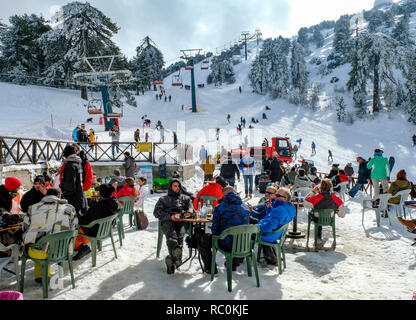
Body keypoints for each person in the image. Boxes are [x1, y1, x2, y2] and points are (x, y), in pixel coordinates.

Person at [22, 187, 78, 282]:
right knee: (46, 240)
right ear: (59, 196)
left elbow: (26, 227)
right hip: (62, 250)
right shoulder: (70, 209)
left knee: (37, 242)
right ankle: (43, 276)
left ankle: (40, 276)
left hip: (38, 253)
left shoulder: (32, 208)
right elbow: (74, 228)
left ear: (46, 196)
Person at [153, 179, 193, 274]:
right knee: (172, 238)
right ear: (170, 187)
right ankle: (177, 261)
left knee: (180, 236)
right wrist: (171, 217)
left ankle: (172, 262)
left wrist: (183, 215)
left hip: (182, 221)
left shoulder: (186, 198)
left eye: (179, 186)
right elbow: (156, 212)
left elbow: (191, 210)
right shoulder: (163, 199)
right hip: (168, 221)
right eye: (175, 186)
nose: (177, 188)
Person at [74, 184, 121, 261]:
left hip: (95, 231)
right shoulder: (115, 202)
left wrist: (77, 215)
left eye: (99, 191)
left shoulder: (98, 207)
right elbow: (102, 210)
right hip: (107, 229)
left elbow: (84, 220)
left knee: (75, 225)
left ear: (101, 193)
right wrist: (96, 202)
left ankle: (81, 247)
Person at [208, 186, 250, 271]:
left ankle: (210, 268)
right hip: (244, 244)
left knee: (205, 239)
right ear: (236, 194)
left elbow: (215, 229)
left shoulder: (219, 208)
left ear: (224, 196)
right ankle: (236, 259)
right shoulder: (245, 207)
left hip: (227, 245)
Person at [257, 188, 296, 265]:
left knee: (248, 233)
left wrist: (257, 226)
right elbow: (276, 218)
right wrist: (269, 209)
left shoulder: (279, 209)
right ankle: (272, 255)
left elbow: (268, 227)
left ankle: (271, 259)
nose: (275, 197)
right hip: (279, 234)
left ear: (285, 198)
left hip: (271, 235)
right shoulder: (291, 207)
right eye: (276, 194)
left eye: (278, 195)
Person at [304, 179, 346, 246]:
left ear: (320, 187)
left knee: (314, 214)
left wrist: (313, 192)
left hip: (317, 219)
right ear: (330, 187)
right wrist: (337, 210)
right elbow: (342, 215)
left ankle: (318, 235)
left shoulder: (316, 198)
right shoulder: (336, 199)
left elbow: (305, 201)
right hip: (330, 219)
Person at [60, 145, 86, 216]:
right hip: (79, 196)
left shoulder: (70, 166)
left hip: (72, 200)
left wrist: (64, 195)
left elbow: (70, 185)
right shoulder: (77, 163)